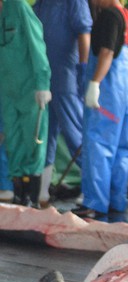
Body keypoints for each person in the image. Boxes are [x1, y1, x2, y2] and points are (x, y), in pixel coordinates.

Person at [71, 0, 128, 219]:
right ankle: (117, 200)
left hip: (107, 95)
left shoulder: (109, 16)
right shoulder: (126, 17)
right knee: (120, 147)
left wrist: (94, 84)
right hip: (125, 94)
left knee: (98, 145)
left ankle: (95, 203)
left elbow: (107, 52)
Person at [33, 0, 92, 208]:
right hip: (44, 80)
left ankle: (92, 192)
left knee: (75, 134)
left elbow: (84, 34)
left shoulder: (73, 2)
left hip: (66, 77)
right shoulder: (41, 4)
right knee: (44, 137)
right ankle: (42, 194)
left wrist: (84, 70)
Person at [0, 0, 52, 208]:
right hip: (7, 93)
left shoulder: (19, 7)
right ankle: (19, 197)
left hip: (30, 90)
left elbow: (36, 44)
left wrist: (42, 85)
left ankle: (32, 199)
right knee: (13, 143)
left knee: (33, 142)